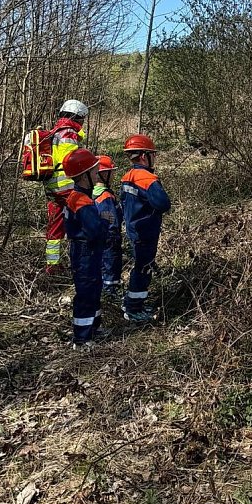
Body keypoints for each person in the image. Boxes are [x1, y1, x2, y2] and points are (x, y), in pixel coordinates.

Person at [120, 134, 171, 322]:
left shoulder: (127, 177)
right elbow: (163, 203)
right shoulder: (147, 179)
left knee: (141, 267)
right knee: (143, 269)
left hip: (134, 229)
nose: (154, 158)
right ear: (144, 156)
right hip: (145, 231)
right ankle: (133, 308)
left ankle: (134, 303)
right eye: (152, 155)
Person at [62, 148, 107, 350]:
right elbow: (95, 230)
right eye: (95, 172)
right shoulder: (80, 200)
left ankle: (93, 328)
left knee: (94, 288)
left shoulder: (80, 198)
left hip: (88, 252)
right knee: (87, 292)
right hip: (84, 252)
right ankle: (81, 338)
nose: (98, 176)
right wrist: (106, 222)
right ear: (83, 176)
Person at [43, 99, 88, 275]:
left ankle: (52, 265)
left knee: (55, 227)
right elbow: (71, 160)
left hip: (51, 188)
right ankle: (83, 260)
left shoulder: (53, 132)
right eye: (82, 119)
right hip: (67, 186)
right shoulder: (68, 133)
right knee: (85, 220)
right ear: (77, 117)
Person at [93, 154, 123, 298]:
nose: (113, 175)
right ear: (104, 173)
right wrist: (114, 235)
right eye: (112, 172)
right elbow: (110, 220)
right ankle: (109, 294)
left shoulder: (90, 194)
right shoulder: (105, 197)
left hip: (95, 239)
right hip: (109, 239)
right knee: (110, 266)